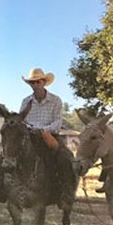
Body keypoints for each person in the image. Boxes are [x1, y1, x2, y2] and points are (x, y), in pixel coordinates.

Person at [20, 68, 75, 201]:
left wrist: (44, 130)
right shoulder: (26, 101)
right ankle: (3, 187)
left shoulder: (55, 100)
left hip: (50, 136)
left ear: (44, 82)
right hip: (30, 136)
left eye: (38, 82)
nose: (35, 85)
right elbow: (21, 120)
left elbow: (58, 121)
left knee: (65, 157)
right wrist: (31, 129)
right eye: (32, 83)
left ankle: (67, 192)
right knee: (9, 154)